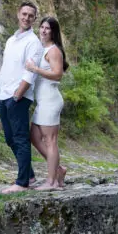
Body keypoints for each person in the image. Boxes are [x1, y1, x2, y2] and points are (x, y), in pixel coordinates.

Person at [0, 2, 43, 193]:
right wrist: (1, 94)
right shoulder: (10, 40)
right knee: (10, 138)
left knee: (21, 138)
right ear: (18, 14)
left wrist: (18, 94)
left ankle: (22, 182)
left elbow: (29, 74)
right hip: (3, 96)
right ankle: (30, 175)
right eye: (24, 14)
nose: (26, 18)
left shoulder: (33, 42)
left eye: (30, 16)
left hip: (19, 97)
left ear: (34, 19)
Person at [25, 17, 69, 191]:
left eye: (47, 28)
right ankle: (58, 169)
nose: (43, 31)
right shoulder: (42, 48)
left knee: (50, 141)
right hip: (43, 101)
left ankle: (52, 182)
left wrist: (35, 69)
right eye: (42, 27)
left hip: (50, 100)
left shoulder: (54, 51)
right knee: (34, 137)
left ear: (53, 32)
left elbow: (58, 75)